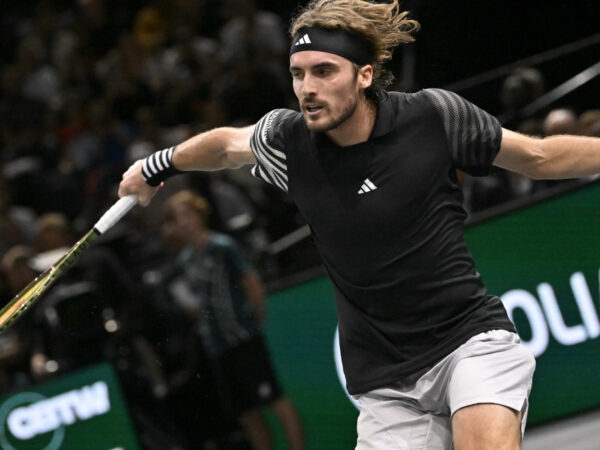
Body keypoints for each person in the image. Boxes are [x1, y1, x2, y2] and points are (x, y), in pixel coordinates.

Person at [119, 0, 600, 448]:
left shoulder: (434, 116)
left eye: (324, 71)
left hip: (469, 344)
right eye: (298, 74)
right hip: (383, 382)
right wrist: (155, 166)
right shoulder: (288, 142)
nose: (308, 89)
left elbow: (538, 156)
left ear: (365, 75)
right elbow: (225, 146)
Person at [157, 189, 305, 450]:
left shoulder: (222, 246)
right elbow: (196, 304)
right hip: (217, 347)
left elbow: (252, 284)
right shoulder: (185, 261)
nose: (183, 222)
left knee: (274, 399)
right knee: (247, 413)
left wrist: (253, 323)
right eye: (176, 218)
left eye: (187, 214)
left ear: (200, 214)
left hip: (243, 338)